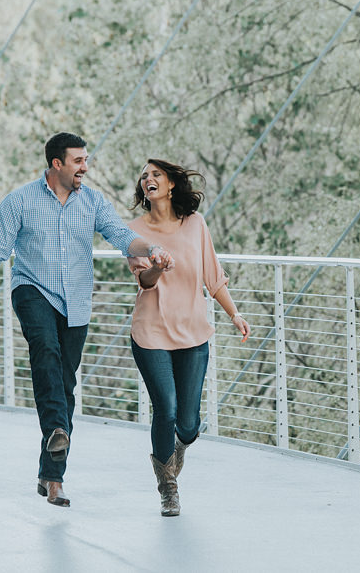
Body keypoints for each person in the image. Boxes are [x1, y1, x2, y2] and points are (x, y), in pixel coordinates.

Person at [0, 132, 173, 509]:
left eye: (85, 160)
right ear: (56, 164)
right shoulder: (19, 201)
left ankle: (52, 476)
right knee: (45, 352)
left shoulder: (91, 201)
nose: (84, 168)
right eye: (78, 161)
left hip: (75, 301)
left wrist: (150, 247)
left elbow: (122, 236)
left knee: (64, 384)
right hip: (32, 290)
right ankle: (56, 431)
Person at [126, 158, 250, 517]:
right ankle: (168, 487)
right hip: (151, 333)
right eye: (145, 175)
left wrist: (235, 314)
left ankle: (179, 445)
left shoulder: (195, 225)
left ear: (171, 185)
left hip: (193, 334)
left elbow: (213, 277)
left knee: (189, 425)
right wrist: (155, 268)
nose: (149, 179)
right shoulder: (134, 231)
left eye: (156, 175)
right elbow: (144, 282)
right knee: (165, 408)